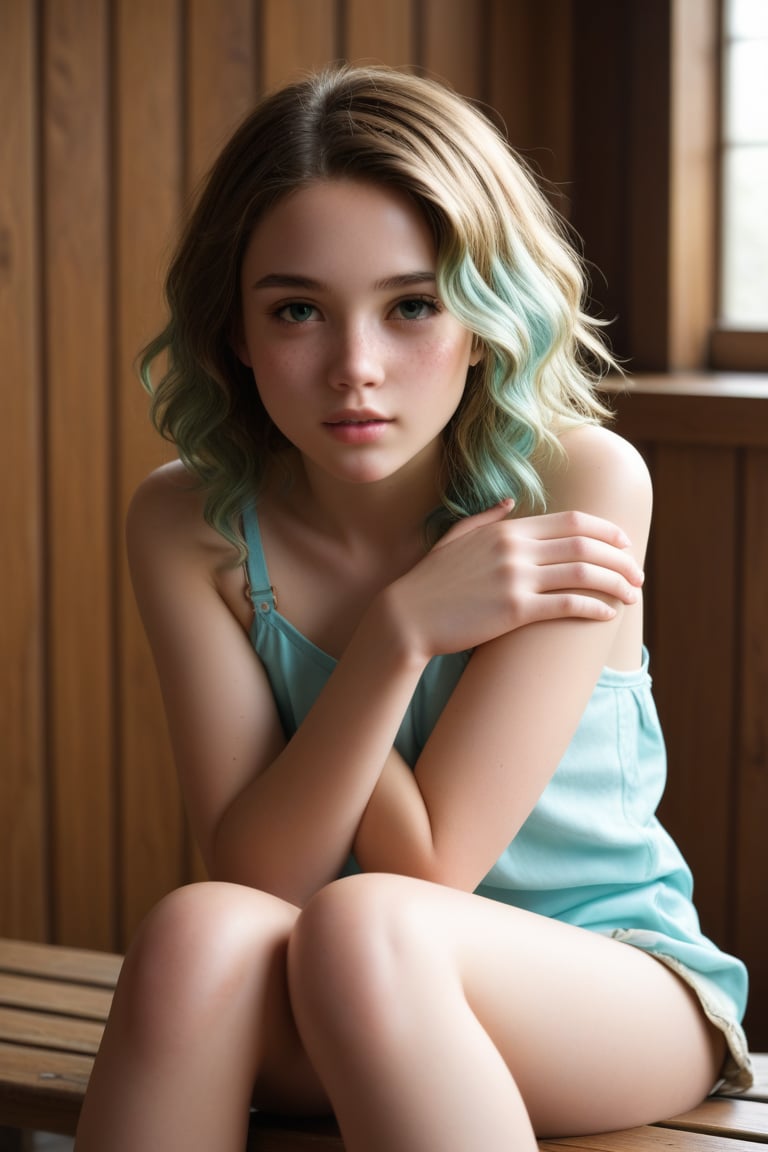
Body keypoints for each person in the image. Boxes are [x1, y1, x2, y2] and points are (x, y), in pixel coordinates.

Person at [74, 64, 752, 1152]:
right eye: (297, 309)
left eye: (413, 307)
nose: (357, 369)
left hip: (611, 989)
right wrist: (397, 633)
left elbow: (434, 870)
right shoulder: (188, 522)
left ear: (487, 319)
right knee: (198, 932)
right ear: (233, 334)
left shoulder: (580, 481)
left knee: (369, 922)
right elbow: (254, 872)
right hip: (334, 984)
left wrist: (363, 658)